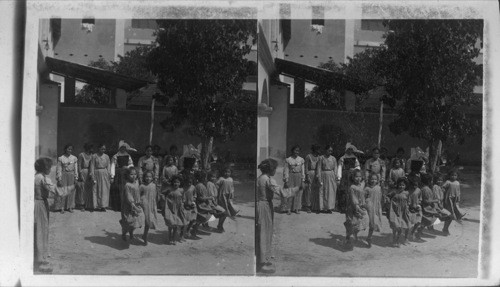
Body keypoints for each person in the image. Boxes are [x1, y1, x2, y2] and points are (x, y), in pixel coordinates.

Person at [256, 158, 299, 274]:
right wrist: (297, 188)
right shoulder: (268, 179)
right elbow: (283, 193)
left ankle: (263, 259)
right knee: (265, 233)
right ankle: (262, 264)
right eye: (275, 168)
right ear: (270, 169)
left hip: (260, 205)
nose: (275, 170)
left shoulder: (260, 178)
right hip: (265, 207)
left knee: (263, 232)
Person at [34, 158, 57, 273]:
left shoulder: (36, 176)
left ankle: (38, 256)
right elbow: (55, 191)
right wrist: (71, 188)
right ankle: (41, 261)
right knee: (42, 231)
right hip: (41, 205)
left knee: (38, 230)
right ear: (44, 168)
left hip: (36, 203)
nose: (51, 169)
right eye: (49, 167)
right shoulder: (43, 178)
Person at [343, 170, 368, 250]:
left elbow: (363, 193)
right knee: (351, 223)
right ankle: (348, 237)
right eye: (356, 177)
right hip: (353, 208)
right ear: (353, 178)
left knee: (359, 224)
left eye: (359, 176)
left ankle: (355, 234)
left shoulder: (361, 185)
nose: (358, 178)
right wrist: (357, 207)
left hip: (360, 207)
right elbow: (353, 199)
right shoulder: (352, 187)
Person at [119, 167, 144, 242]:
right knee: (128, 222)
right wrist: (133, 205)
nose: (133, 176)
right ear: (127, 175)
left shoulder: (137, 182)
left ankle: (131, 233)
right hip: (128, 206)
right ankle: (124, 233)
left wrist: (139, 201)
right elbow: (129, 196)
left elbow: (138, 192)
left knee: (135, 222)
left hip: (136, 204)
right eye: (131, 174)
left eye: (135, 174)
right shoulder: (127, 185)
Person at [110, 140, 135, 211]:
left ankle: (126, 206)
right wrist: (112, 176)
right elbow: (113, 166)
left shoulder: (128, 156)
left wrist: (128, 167)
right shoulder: (116, 156)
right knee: (118, 189)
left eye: (124, 148)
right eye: (122, 147)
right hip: (118, 174)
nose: (123, 149)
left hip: (126, 174)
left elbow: (131, 164)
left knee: (126, 189)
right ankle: (118, 207)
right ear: (119, 148)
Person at [337, 143, 361, 214]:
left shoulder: (355, 158)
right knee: (344, 191)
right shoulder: (342, 158)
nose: (350, 151)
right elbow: (340, 167)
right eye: (348, 149)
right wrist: (339, 177)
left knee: (352, 191)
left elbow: (358, 166)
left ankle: (351, 207)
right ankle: (343, 207)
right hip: (344, 176)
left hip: (352, 176)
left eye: (351, 150)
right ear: (346, 150)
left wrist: (355, 171)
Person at [162, 175, 186, 245]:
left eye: (178, 182)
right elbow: (162, 194)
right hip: (169, 208)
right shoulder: (169, 189)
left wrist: (183, 204)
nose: (176, 183)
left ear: (180, 183)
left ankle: (174, 238)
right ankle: (170, 237)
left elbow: (183, 199)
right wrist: (164, 199)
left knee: (176, 224)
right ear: (172, 182)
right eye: (175, 182)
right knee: (170, 224)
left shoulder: (181, 190)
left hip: (178, 209)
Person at [387, 177, 411, 247]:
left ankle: (401, 239)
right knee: (396, 226)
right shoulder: (394, 191)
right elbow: (388, 196)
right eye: (400, 185)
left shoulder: (407, 193)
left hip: (403, 212)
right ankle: (395, 240)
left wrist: (408, 207)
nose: (401, 186)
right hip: (394, 211)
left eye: (403, 185)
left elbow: (408, 201)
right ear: (397, 185)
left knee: (404, 226)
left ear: (405, 186)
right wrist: (388, 199)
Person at [55, 144, 78, 213]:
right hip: (64, 175)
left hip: (71, 175)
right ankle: (62, 207)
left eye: (71, 149)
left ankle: (70, 207)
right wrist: (59, 178)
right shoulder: (61, 158)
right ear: (65, 149)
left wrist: (76, 177)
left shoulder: (74, 158)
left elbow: (76, 168)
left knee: (71, 191)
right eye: (68, 149)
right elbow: (59, 168)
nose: (70, 150)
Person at [282, 145, 305, 214]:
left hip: (298, 176)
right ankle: (288, 208)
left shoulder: (301, 159)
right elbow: (286, 170)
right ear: (292, 151)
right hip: (291, 176)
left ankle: (296, 208)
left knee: (298, 192)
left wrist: (303, 179)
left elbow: (302, 170)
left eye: (298, 151)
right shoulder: (288, 159)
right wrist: (286, 180)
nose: (297, 152)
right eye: (295, 150)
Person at [315, 145, 338, 213]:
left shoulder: (333, 158)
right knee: (323, 191)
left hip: (331, 175)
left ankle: (329, 208)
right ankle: (322, 207)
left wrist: (335, 176)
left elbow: (335, 168)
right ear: (326, 150)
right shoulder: (321, 158)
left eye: (331, 151)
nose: (330, 152)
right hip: (323, 174)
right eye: (329, 150)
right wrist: (319, 177)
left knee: (330, 192)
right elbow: (319, 168)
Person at [442, 169, 466, 235]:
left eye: (455, 175)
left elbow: (458, 192)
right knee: (449, 214)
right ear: (449, 176)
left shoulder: (457, 183)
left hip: (454, 200)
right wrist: (444, 193)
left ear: (457, 176)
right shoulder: (448, 182)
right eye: (452, 175)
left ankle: (446, 228)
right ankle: (445, 229)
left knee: (453, 213)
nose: (453, 176)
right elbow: (443, 188)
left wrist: (458, 198)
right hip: (448, 200)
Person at [88, 143, 112, 212]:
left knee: (104, 190)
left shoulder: (106, 156)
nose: (103, 150)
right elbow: (92, 166)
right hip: (96, 173)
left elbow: (108, 165)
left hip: (104, 173)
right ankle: (95, 205)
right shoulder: (94, 156)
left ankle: (103, 206)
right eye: (102, 149)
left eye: (104, 149)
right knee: (96, 189)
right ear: (99, 148)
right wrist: (92, 175)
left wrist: (109, 174)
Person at [364, 173, 383, 248]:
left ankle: (369, 237)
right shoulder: (367, 188)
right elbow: (363, 198)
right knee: (365, 223)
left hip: (376, 208)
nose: (373, 181)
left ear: (377, 180)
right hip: (368, 208)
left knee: (373, 224)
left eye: (375, 179)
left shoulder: (379, 188)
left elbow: (380, 198)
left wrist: (380, 207)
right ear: (369, 180)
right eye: (372, 179)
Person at [140, 171, 158, 246]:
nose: (148, 178)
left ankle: (145, 236)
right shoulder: (142, 186)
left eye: (150, 177)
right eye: (146, 177)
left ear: (152, 178)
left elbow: (155, 195)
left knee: (149, 221)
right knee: (143, 220)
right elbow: (138, 195)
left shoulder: (154, 185)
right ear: (144, 177)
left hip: (151, 205)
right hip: (144, 205)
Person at [303, 144, 321, 213]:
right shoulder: (308, 156)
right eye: (317, 150)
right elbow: (306, 166)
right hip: (309, 173)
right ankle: (308, 206)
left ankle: (314, 206)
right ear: (314, 150)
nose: (318, 151)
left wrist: (318, 175)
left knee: (315, 190)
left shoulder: (318, 157)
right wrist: (307, 175)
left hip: (316, 174)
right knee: (309, 190)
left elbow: (319, 167)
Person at [76, 143, 93, 212]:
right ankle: (82, 204)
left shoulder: (92, 155)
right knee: (82, 189)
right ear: (87, 148)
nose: (92, 149)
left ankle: (88, 205)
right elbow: (79, 165)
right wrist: (80, 174)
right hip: (83, 172)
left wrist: (91, 174)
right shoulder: (81, 155)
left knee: (89, 189)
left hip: (90, 172)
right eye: (91, 148)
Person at [407, 174, 423, 242]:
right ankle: (407, 235)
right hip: (410, 208)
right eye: (413, 184)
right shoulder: (408, 191)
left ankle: (413, 232)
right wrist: (409, 206)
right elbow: (407, 200)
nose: (414, 186)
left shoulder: (419, 190)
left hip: (417, 208)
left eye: (416, 184)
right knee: (410, 222)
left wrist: (418, 204)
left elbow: (420, 198)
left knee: (418, 221)